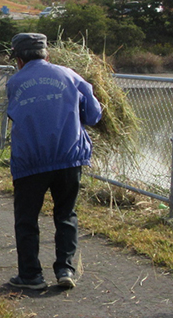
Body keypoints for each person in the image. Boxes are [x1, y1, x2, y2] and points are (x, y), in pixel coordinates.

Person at [5, 33, 103, 290]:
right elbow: (93, 115)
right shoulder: (70, 76)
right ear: (47, 55)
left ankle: (31, 276)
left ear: (19, 59)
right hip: (68, 158)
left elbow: (14, 114)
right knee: (65, 213)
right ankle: (65, 269)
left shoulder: (15, 82)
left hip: (30, 161)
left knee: (27, 219)